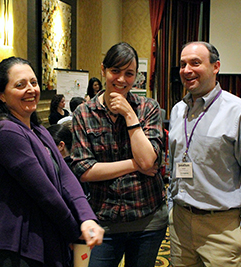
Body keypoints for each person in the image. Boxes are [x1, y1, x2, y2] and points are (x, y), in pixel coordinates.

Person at [0, 56, 104, 267]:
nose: (31, 89)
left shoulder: (39, 131)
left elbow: (66, 176)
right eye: (20, 85)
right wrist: (75, 232)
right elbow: (45, 193)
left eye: (33, 83)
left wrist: (86, 217)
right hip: (19, 246)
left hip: (46, 237)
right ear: (0, 95)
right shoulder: (5, 131)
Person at [167, 41, 241, 267]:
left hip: (222, 229)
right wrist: (171, 206)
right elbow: (173, 163)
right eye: (183, 64)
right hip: (181, 223)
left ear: (216, 67)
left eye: (196, 63)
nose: (187, 70)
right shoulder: (177, 111)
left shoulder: (239, 112)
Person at [71, 42, 167, 267]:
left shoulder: (148, 108)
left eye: (129, 74)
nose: (121, 80)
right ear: (103, 70)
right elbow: (85, 170)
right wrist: (136, 165)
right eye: (115, 71)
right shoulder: (84, 113)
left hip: (148, 220)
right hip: (104, 222)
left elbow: (148, 160)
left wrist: (129, 115)